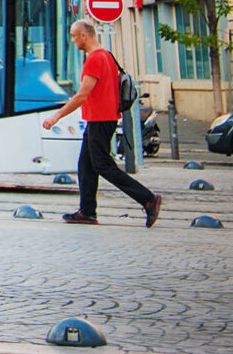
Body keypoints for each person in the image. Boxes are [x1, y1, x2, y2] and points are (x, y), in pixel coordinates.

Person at [43, 18, 161, 227]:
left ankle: (148, 199)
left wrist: (56, 116)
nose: (72, 40)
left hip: (100, 119)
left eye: (73, 36)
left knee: (103, 165)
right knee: (85, 166)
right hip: (100, 119)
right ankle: (87, 211)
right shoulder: (107, 55)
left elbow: (82, 95)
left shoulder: (95, 59)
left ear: (84, 35)